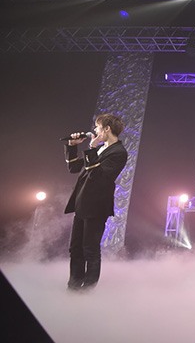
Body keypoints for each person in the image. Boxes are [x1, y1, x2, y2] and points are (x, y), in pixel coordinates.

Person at [64, 114, 128, 290]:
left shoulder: (119, 152)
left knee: (90, 249)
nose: (95, 130)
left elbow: (98, 177)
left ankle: (88, 289)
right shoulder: (101, 149)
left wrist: (92, 148)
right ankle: (74, 285)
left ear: (107, 129)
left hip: (97, 205)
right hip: (82, 202)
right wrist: (72, 146)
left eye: (98, 127)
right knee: (75, 248)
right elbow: (74, 167)